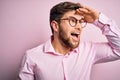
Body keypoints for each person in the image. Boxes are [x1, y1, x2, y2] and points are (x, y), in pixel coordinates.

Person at [17, 1, 120, 80]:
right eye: (73, 21)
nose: (79, 27)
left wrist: (97, 19)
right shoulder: (31, 57)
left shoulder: (89, 50)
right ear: (55, 26)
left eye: (81, 21)